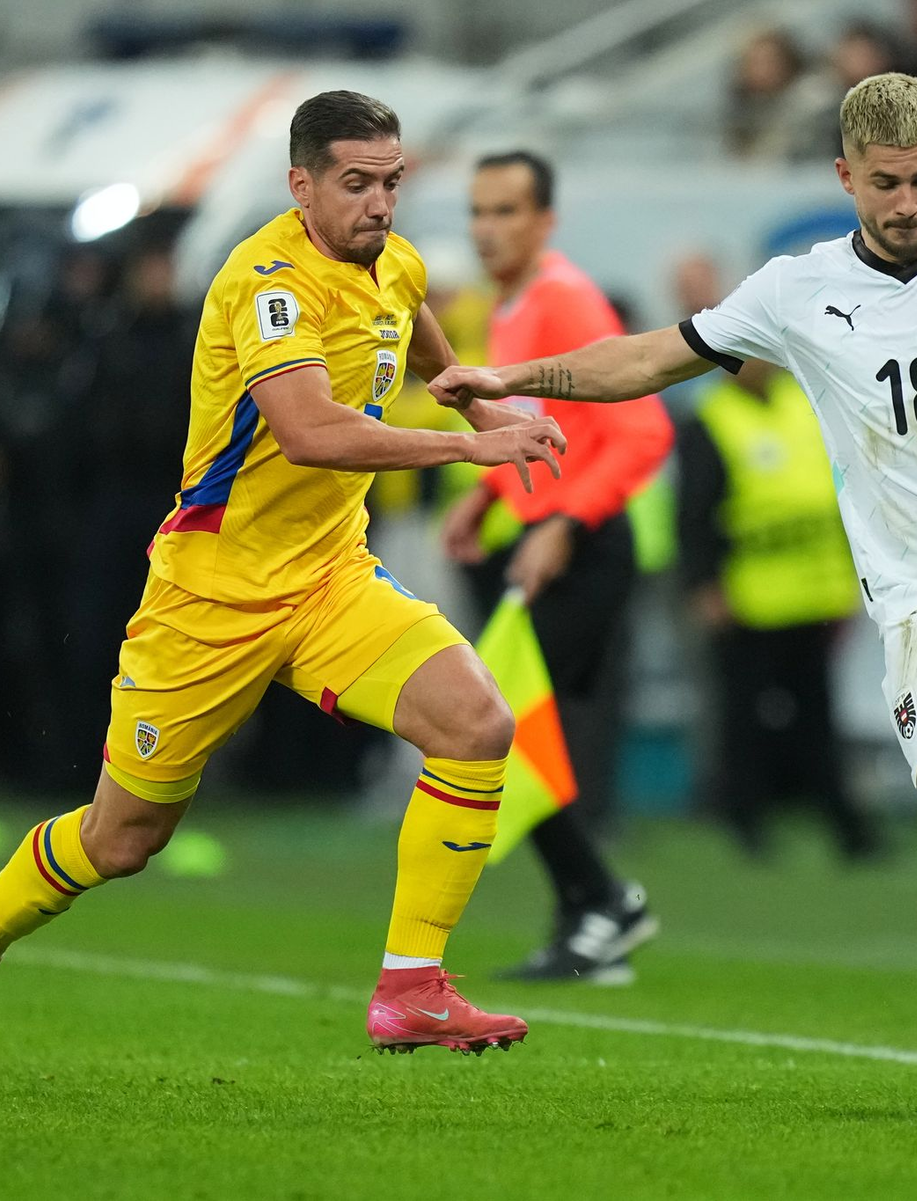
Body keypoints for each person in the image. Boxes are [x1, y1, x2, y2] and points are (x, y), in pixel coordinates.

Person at [429, 73, 917, 1110]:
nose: (909, 202)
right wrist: (513, 381)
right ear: (845, 176)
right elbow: (652, 355)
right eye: (886, 183)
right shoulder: (797, 290)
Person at [0, 90, 569, 1056]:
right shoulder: (267, 279)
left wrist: (471, 400)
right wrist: (465, 451)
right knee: (123, 840)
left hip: (329, 579)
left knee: (476, 722)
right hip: (211, 596)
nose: (380, 205)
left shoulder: (392, 258)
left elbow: (410, 315)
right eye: (356, 184)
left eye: (391, 182)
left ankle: (412, 989)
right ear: (300, 185)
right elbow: (308, 433)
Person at [440, 150, 673, 982]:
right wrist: (486, 500)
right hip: (549, 543)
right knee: (513, 732)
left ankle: (603, 901)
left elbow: (644, 432)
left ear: (546, 220)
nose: (487, 229)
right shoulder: (510, 306)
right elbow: (544, 429)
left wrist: (565, 523)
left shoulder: (565, 298)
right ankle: (591, 912)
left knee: (496, 728)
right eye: (478, 211)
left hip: (584, 548)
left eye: (506, 211)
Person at [675, 358, 875, 859]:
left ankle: (843, 824)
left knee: (819, 717)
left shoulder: (802, 404)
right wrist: (705, 586)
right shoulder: (711, 418)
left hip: (816, 591)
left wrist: (853, 581)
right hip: (750, 595)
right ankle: (746, 820)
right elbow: (694, 511)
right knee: (743, 718)